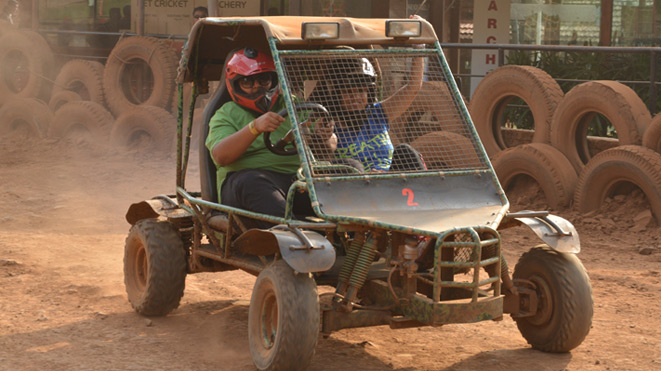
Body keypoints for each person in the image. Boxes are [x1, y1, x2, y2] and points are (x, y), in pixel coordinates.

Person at [206, 47, 336, 228]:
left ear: (274, 80)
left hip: (298, 180)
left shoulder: (292, 105)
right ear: (235, 85)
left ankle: (358, 240)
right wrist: (254, 128)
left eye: (264, 80)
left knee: (350, 168)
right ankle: (296, 236)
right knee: (253, 181)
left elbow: (330, 148)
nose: (257, 88)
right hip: (249, 184)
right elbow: (220, 155)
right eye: (248, 83)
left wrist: (325, 136)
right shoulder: (226, 114)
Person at [321, 47, 425, 172]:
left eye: (361, 91)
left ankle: (425, 190)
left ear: (369, 93)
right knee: (351, 165)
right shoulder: (329, 125)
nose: (356, 98)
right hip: (358, 186)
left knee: (406, 151)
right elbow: (326, 152)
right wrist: (324, 139)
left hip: (393, 184)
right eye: (348, 91)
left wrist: (419, 46)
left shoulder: (379, 113)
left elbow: (413, 88)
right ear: (336, 95)